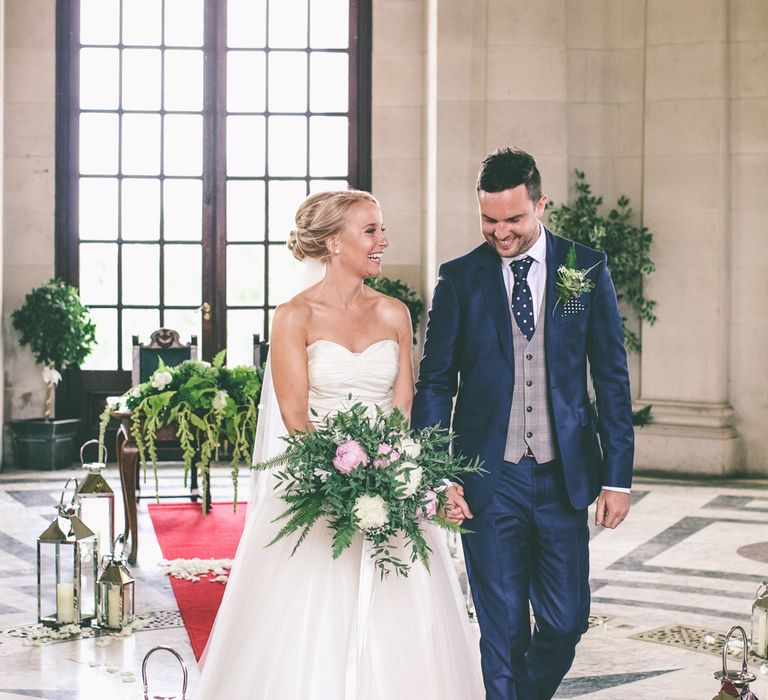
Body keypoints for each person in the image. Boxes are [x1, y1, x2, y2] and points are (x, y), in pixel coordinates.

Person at [194, 190, 484, 699]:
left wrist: (394, 474)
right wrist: (342, 478)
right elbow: (294, 417)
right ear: (333, 242)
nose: (383, 241)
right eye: (370, 231)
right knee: (307, 629)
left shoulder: (395, 313)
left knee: (407, 624)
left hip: (392, 489)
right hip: (318, 487)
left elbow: (402, 408)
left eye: (381, 229)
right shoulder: (294, 316)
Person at [411, 147, 634, 700]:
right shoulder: (460, 278)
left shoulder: (584, 268)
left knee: (564, 623)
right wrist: (440, 474)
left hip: (565, 476)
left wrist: (617, 477)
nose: (500, 232)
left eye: (513, 219)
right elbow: (436, 382)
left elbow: (610, 377)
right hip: (490, 477)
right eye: (489, 219)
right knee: (502, 630)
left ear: (541, 204)